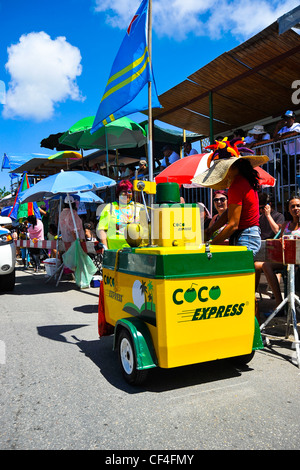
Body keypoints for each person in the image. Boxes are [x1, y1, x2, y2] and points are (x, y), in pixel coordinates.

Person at [195, 138, 268, 256]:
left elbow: (233, 225)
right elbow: (231, 212)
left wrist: (210, 246)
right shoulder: (244, 181)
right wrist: (211, 230)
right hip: (248, 235)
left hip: (246, 236)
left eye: (224, 168)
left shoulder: (237, 185)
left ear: (233, 166)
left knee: (240, 273)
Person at [259, 194, 300, 313]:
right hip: (286, 259)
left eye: (298, 206)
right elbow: (280, 240)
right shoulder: (286, 225)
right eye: (292, 206)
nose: (295, 208)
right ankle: (279, 303)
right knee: (266, 265)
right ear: (288, 209)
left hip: (298, 260)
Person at [96, 180, 142, 250]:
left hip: (135, 250)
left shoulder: (139, 207)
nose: (127, 194)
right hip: (115, 250)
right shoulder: (109, 207)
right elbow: (101, 229)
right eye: (124, 191)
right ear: (118, 194)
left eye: (129, 191)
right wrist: (105, 248)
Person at [273, 110, 300, 178]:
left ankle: (294, 185)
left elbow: (294, 132)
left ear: (293, 118)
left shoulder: (297, 125)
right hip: (290, 155)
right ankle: (292, 184)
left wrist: (282, 135)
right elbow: (275, 138)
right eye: (285, 118)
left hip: (298, 154)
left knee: (297, 172)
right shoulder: (283, 129)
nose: (286, 120)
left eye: (288, 118)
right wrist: (277, 126)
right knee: (278, 163)